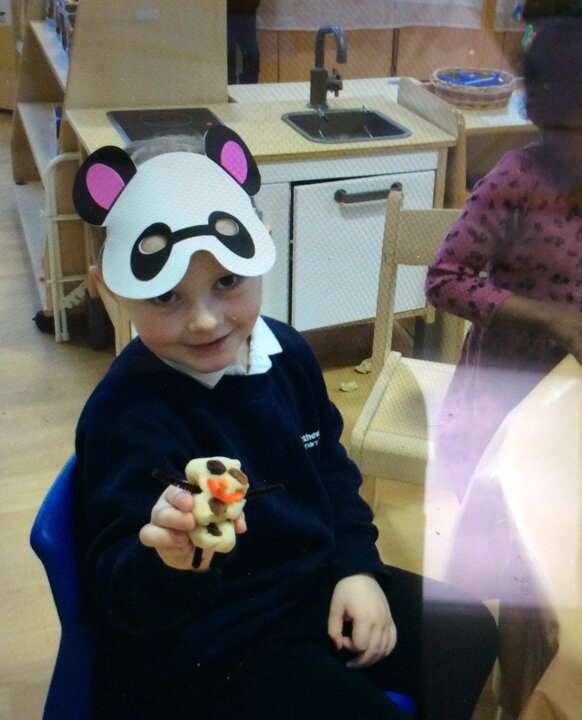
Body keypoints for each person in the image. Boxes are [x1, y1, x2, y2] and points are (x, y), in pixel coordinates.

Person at [72, 127, 497, 720]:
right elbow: (118, 596)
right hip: (216, 648)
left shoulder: (288, 354)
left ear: (261, 248)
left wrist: (356, 568)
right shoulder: (124, 417)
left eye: (226, 281)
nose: (204, 320)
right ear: (111, 290)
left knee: (468, 631)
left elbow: (332, 471)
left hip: (310, 589)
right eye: (166, 296)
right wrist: (168, 559)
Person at [425, 16, 582, 503]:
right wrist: (550, 317)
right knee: (498, 502)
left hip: (570, 388)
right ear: (544, 115)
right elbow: (443, 279)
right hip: (506, 385)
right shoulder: (518, 180)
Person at [227, 0, 261, 84]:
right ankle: (228, 88)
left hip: (247, 9)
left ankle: (249, 89)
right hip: (223, 10)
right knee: (228, 52)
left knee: (251, 54)